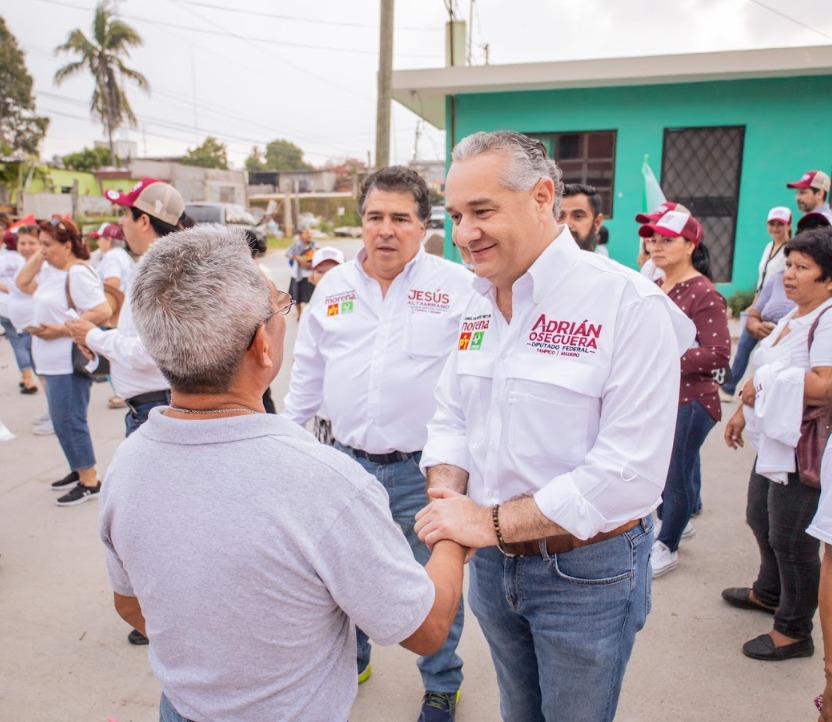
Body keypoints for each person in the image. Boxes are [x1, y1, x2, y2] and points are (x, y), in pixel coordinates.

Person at [100, 226, 464, 722]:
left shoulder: (128, 463)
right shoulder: (324, 482)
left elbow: (131, 608)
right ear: (261, 347)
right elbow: (424, 629)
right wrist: (452, 530)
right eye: (279, 308)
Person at [413, 130, 694, 722]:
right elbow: (451, 416)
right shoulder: (476, 300)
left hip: (587, 572)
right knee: (520, 711)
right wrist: (448, 500)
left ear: (543, 197)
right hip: (492, 565)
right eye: (457, 214)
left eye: (483, 211)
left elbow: (628, 474)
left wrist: (486, 521)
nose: (464, 233)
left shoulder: (627, 303)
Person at [283, 166, 472, 722]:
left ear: (424, 225)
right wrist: (290, 443)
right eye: (374, 217)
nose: (385, 230)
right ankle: (356, 656)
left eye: (399, 218)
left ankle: (442, 682)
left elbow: (474, 378)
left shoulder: (457, 288)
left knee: (432, 583)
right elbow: (308, 371)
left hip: (425, 472)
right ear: (360, 222)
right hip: (344, 464)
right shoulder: (334, 287)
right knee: (341, 574)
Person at [66, 178, 185, 645]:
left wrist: (91, 337)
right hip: (147, 407)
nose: (118, 224)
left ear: (144, 219)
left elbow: (151, 351)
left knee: (157, 520)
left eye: (124, 214)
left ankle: (164, 612)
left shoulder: (162, 270)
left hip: (156, 407)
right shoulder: (154, 265)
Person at [723, 227, 832, 661]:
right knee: (760, 518)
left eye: (803, 268)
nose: (789, 275)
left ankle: (793, 631)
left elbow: (825, 386)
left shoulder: (828, 320)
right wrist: (740, 410)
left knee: (792, 538)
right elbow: (763, 365)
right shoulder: (794, 315)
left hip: (804, 448)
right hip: (775, 442)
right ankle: (769, 591)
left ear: (829, 280)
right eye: (788, 265)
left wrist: (763, 386)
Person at [638, 209, 731, 576]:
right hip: (663, 398)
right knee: (669, 474)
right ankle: (676, 525)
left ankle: (668, 546)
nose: (656, 246)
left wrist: (661, 357)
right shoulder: (658, 283)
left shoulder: (703, 292)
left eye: (667, 240)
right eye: (653, 239)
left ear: (691, 245)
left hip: (691, 401)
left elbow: (718, 353)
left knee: (674, 475)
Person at [15, 216, 111, 505]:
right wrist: (41, 253)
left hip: (66, 361)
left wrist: (59, 330)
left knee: (70, 421)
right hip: (49, 361)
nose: (41, 250)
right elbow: (21, 283)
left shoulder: (77, 273)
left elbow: (102, 310)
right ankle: (78, 468)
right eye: (39, 245)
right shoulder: (52, 272)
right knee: (60, 421)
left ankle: (90, 480)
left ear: (67, 245)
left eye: (47, 245)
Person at [722, 206, 793, 398]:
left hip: (779, 308)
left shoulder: (790, 251)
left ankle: (762, 391)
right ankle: (729, 388)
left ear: (789, 226)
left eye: (780, 224)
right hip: (761, 305)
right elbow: (763, 279)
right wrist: (754, 302)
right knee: (744, 347)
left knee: (769, 352)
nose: (776, 228)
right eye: (772, 223)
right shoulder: (769, 247)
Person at [0, 229, 38, 393]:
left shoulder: (34, 264)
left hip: (25, 317)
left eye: (31, 243)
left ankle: (27, 378)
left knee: (19, 345)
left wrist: (13, 290)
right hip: (16, 314)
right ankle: (27, 377)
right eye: (23, 243)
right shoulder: (23, 261)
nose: (26, 247)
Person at [558, 183, 603, 252]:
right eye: (560, 216)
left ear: (597, 222)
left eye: (578, 216)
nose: (567, 224)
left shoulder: (601, 263)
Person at [285, 227, 316, 318]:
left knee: (313, 297)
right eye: (307, 233)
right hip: (298, 275)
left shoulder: (314, 245)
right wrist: (297, 257)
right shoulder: (295, 245)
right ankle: (300, 314)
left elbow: (319, 254)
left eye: (310, 233)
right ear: (300, 236)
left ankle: (311, 314)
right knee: (296, 297)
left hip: (310, 275)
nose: (309, 235)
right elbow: (287, 254)